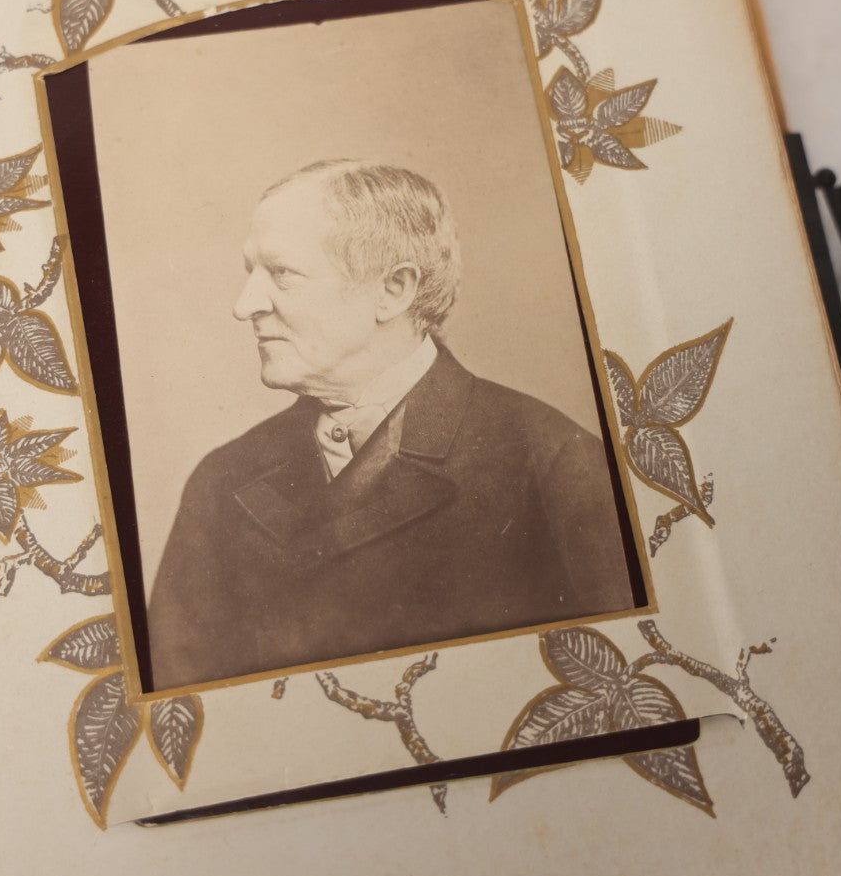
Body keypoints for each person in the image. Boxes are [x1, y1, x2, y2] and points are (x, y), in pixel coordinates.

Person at [144, 159, 634, 689]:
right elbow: (180, 704)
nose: (245, 306)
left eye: (282, 273)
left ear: (393, 290)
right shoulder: (224, 478)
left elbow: (616, 684)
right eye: (251, 273)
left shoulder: (556, 464)